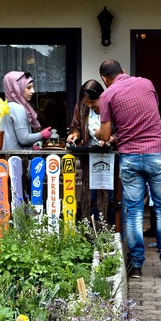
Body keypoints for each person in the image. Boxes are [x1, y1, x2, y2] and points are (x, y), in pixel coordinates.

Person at [95, 59, 161, 279]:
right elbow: (147, 114)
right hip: (156, 154)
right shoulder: (147, 83)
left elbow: (106, 136)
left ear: (104, 80)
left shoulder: (107, 95)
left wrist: (98, 133)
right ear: (124, 71)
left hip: (130, 158)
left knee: (134, 211)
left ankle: (135, 266)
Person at [68, 79, 113, 221]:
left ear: (101, 97)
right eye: (87, 103)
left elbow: (122, 129)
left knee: (109, 194)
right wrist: (74, 134)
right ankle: (91, 228)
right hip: (89, 156)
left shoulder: (111, 105)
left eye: (92, 103)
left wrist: (111, 139)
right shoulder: (82, 106)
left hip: (110, 157)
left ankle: (109, 228)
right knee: (90, 193)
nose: (89, 105)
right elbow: (75, 125)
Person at [0, 71, 52, 151]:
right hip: (17, 161)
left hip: (8, 159)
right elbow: (24, 139)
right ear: (17, 88)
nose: (33, 91)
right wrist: (42, 134)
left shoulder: (7, 106)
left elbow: (11, 138)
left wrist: (31, 147)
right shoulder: (17, 109)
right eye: (28, 87)